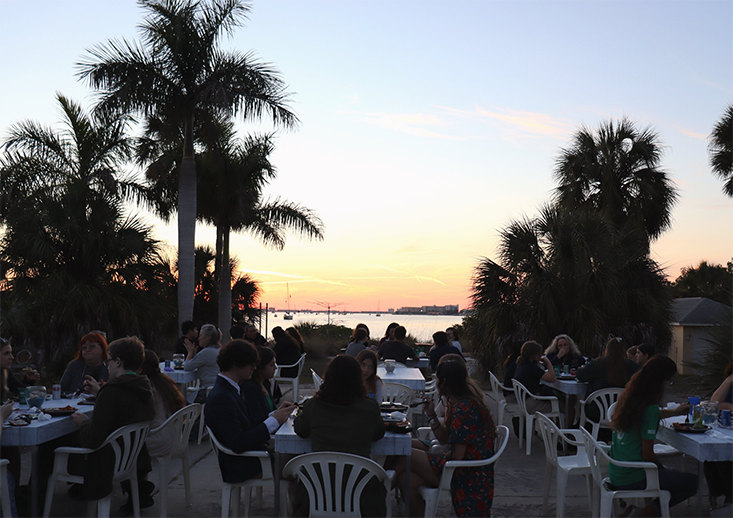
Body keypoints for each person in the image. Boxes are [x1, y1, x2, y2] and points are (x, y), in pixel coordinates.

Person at [392, 358, 496, 518]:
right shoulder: (459, 402)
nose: (435, 383)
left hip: (467, 473)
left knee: (403, 454)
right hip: (464, 466)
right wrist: (431, 414)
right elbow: (444, 440)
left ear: (445, 381)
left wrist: (434, 455)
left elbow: (457, 455)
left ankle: (375, 494)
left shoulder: (465, 409)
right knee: (407, 480)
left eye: (437, 379)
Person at [293, 355, 386, 518]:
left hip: (317, 488)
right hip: (362, 489)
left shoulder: (313, 406)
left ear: (328, 377)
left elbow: (301, 430)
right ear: (358, 379)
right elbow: (379, 433)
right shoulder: (370, 408)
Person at [70, 336, 156, 505]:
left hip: (107, 462)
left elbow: (93, 439)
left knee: (51, 449)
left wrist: (84, 422)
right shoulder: (143, 386)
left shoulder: (111, 391)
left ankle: (35, 503)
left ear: (117, 362)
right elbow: (122, 410)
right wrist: (100, 392)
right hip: (132, 458)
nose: (106, 365)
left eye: (108, 360)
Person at [609, 355, 697, 518]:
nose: (669, 385)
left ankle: (641, 512)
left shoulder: (628, 398)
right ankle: (643, 514)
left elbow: (645, 414)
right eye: (670, 381)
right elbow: (647, 454)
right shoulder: (650, 409)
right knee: (692, 483)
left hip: (617, 470)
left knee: (672, 478)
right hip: (634, 475)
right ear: (661, 381)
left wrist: (674, 412)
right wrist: (662, 469)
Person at [204, 340, 294, 484]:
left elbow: (248, 424)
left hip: (248, 458)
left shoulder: (229, 389)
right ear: (235, 364)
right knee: (300, 465)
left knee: (297, 458)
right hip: (242, 465)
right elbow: (238, 442)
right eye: (250, 363)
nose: (254, 367)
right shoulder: (222, 397)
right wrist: (274, 421)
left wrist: (275, 415)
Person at [141, 350, 186, 459]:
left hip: (160, 441)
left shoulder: (149, 389)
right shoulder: (165, 383)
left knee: (123, 445)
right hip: (175, 437)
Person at [705, 353, 733, 510]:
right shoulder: (731, 383)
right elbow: (713, 404)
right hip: (728, 430)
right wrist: (728, 381)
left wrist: (729, 406)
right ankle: (718, 495)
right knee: (711, 456)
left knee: (725, 459)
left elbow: (723, 406)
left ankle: (730, 498)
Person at [512, 340, 556, 413]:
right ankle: (563, 424)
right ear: (535, 354)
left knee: (554, 401)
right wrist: (548, 362)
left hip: (524, 401)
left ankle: (551, 424)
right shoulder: (531, 367)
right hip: (531, 404)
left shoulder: (522, 365)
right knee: (563, 406)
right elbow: (552, 378)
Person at [240, 346, 278, 424]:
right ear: (260, 368)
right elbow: (256, 419)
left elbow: (272, 411)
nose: (275, 368)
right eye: (271, 365)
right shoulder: (250, 388)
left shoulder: (265, 383)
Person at [184, 324, 221, 400]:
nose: (199, 338)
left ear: (208, 338)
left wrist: (190, 352)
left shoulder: (207, 352)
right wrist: (194, 355)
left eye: (201, 335)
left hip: (208, 391)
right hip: (217, 388)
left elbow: (187, 367)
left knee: (182, 399)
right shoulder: (218, 349)